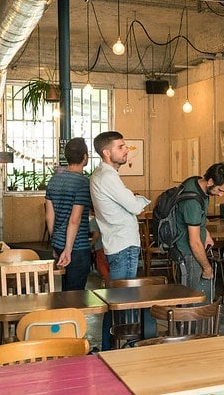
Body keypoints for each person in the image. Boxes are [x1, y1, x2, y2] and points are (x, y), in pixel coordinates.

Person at [90, 131, 150, 348]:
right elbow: (134, 207)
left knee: (118, 300)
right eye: (121, 147)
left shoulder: (102, 175)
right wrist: (136, 198)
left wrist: (131, 198)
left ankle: (111, 348)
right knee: (122, 302)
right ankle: (122, 351)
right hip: (123, 245)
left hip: (118, 244)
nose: (126, 150)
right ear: (107, 152)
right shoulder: (108, 177)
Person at [173, 162, 224, 302]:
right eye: (220, 190)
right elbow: (195, 242)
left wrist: (206, 233)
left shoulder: (195, 183)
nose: (220, 195)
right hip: (189, 254)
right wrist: (207, 267)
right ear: (210, 181)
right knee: (195, 301)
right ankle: (192, 324)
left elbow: (197, 221)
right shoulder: (193, 202)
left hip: (192, 251)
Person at [44, 137, 92, 292]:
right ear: (85, 157)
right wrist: (68, 250)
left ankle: (65, 315)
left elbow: (49, 216)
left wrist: (56, 243)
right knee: (75, 294)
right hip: (77, 246)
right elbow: (74, 220)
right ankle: (72, 316)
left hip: (59, 243)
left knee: (65, 291)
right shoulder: (82, 183)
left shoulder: (54, 180)